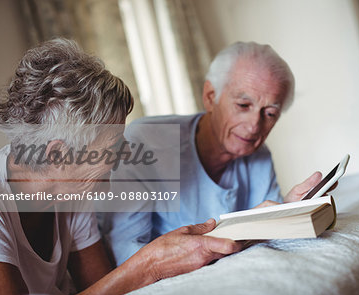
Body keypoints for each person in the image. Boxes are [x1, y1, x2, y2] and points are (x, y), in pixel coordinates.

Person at [0, 38, 241, 295]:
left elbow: (104, 289)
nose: (127, 152)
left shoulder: (72, 189)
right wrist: (150, 264)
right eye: (114, 143)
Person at [102, 42, 324, 265]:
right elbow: (123, 253)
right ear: (210, 96)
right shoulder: (145, 140)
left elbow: (268, 238)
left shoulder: (259, 156)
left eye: (270, 113)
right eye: (243, 105)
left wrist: (289, 210)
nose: (254, 125)